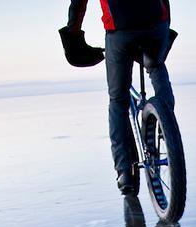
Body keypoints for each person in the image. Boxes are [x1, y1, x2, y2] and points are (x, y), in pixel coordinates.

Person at [59, 1, 176, 195]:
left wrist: (73, 33)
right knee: (156, 67)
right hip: (156, 25)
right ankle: (167, 128)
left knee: (118, 100)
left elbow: (79, 4)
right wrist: (165, 23)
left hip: (120, 31)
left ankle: (124, 173)